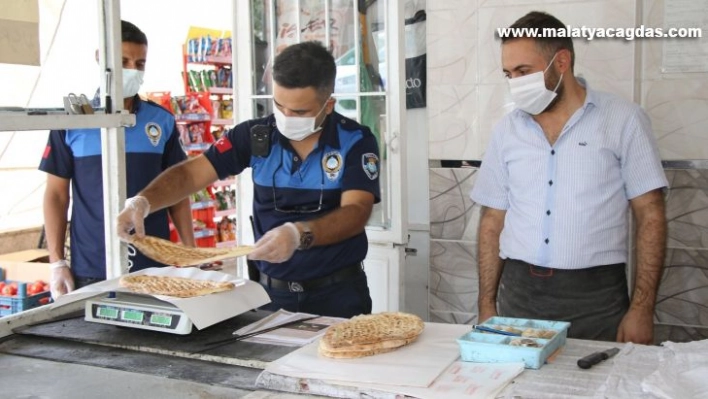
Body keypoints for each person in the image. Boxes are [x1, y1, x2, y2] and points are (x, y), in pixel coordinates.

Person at [116, 41, 380, 318]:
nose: (286, 118)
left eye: (300, 112)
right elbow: (191, 173)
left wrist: (298, 233)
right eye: (279, 106)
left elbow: (356, 211)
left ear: (328, 105)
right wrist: (143, 202)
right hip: (270, 296)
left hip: (338, 295)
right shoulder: (254, 136)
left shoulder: (355, 141)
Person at [470, 11, 667, 343]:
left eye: (523, 71)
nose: (515, 83)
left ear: (561, 62)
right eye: (508, 74)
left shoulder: (623, 120)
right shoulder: (507, 131)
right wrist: (487, 304)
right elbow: (492, 220)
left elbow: (651, 215)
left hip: (596, 298)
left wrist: (642, 310)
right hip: (519, 293)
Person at [40, 20, 195, 300]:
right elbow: (56, 195)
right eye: (123, 61)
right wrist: (57, 262)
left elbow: (178, 190)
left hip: (153, 264)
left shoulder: (161, 121)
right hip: (91, 266)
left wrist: (190, 251)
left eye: (140, 63)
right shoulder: (70, 122)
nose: (132, 70)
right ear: (101, 60)